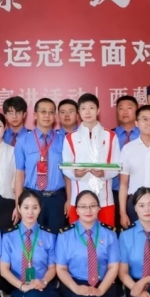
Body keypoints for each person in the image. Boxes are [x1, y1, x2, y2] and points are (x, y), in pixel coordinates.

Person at [55, 190, 121, 297]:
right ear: (76, 210)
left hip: (103, 283)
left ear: (99, 208)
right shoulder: (65, 235)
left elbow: (113, 267)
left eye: (92, 206)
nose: (88, 210)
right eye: (83, 207)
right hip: (75, 282)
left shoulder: (109, 233)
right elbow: (61, 269)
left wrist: (101, 290)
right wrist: (76, 288)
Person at [0, 190, 60, 297]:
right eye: (26, 207)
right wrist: (22, 286)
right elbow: (4, 270)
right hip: (19, 289)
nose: (30, 212)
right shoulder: (8, 237)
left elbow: (53, 267)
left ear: (40, 209)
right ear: (19, 208)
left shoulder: (49, 236)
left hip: (44, 288)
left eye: (34, 207)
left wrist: (43, 281)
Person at [62, 93, 121, 226]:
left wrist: (104, 173)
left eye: (91, 108)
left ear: (98, 110)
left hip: (104, 199)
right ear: (79, 112)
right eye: (83, 108)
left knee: (106, 235)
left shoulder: (111, 136)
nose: (87, 112)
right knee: (78, 236)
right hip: (78, 198)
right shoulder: (70, 138)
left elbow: (117, 165)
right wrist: (75, 173)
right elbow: (66, 166)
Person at [15, 98, 69, 232]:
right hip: (31, 198)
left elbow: (68, 174)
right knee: (32, 237)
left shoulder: (63, 141)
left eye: (51, 112)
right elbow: (19, 174)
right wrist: (18, 204)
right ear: (35, 115)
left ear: (55, 116)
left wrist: (69, 199)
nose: (47, 115)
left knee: (56, 237)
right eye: (43, 112)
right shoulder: (22, 141)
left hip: (56, 199)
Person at [112, 95, 140, 231]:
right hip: (115, 191)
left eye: (129, 108)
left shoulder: (145, 135)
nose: (124, 112)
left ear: (137, 111)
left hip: (139, 192)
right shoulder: (109, 136)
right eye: (120, 108)